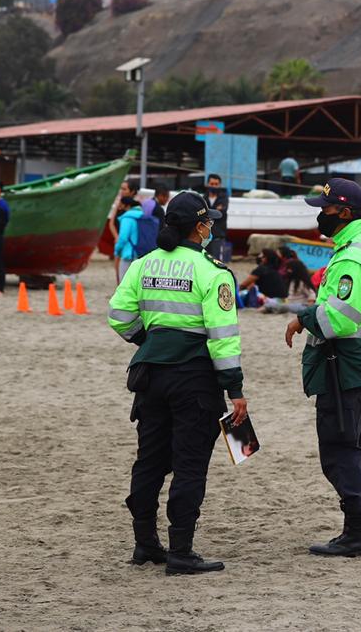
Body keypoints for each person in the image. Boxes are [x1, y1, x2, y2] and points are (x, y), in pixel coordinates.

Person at [107, 191, 247, 575]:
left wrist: (150, 340)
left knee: (150, 461)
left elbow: (118, 315)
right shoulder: (213, 272)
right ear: (199, 227)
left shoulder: (142, 265)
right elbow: (223, 336)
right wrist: (234, 389)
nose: (211, 228)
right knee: (189, 464)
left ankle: (145, 545)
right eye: (208, 222)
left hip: (150, 375)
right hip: (194, 379)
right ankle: (182, 551)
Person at [285, 178, 361, 558]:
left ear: (344, 213)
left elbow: (343, 318)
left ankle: (355, 533)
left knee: (340, 449)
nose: (320, 215)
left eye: (325, 209)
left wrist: (304, 318)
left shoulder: (352, 254)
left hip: (345, 366)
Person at [109, 179, 134, 279]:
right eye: (121, 189)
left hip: (130, 243)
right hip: (120, 240)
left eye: (124, 189)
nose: (122, 191)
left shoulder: (135, 205)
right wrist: (116, 237)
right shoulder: (118, 204)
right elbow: (111, 223)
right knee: (118, 271)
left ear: (132, 191)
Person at [114, 196, 142, 282]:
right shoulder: (143, 216)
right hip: (141, 254)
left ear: (126, 205)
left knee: (124, 282)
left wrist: (117, 250)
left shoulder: (127, 218)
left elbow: (123, 238)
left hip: (128, 255)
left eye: (121, 204)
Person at [202, 174, 228, 261]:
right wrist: (215, 210)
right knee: (204, 260)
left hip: (218, 235)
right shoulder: (203, 198)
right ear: (208, 184)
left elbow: (220, 214)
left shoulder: (224, 198)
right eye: (212, 184)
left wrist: (207, 212)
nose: (214, 186)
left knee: (217, 261)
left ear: (219, 185)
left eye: (216, 184)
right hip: (204, 236)